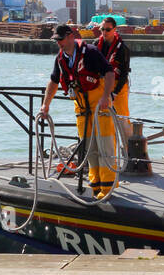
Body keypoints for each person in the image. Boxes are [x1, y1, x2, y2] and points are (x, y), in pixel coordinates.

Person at [38, 24, 118, 197]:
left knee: (105, 147)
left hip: (100, 107)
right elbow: (53, 82)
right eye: (56, 40)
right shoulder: (60, 59)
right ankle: (96, 186)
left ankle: (108, 188)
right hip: (81, 108)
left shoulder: (90, 52)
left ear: (69, 36)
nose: (57, 43)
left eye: (60, 39)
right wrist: (46, 105)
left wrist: (106, 97)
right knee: (89, 148)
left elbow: (109, 73)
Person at [96, 17, 132, 140]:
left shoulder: (122, 49)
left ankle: (130, 153)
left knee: (123, 120)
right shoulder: (96, 45)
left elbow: (124, 74)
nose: (104, 32)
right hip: (101, 85)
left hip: (119, 87)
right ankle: (109, 153)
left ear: (114, 30)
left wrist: (115, 93)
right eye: (102, 29)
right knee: (105, 120)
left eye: (108, 29)